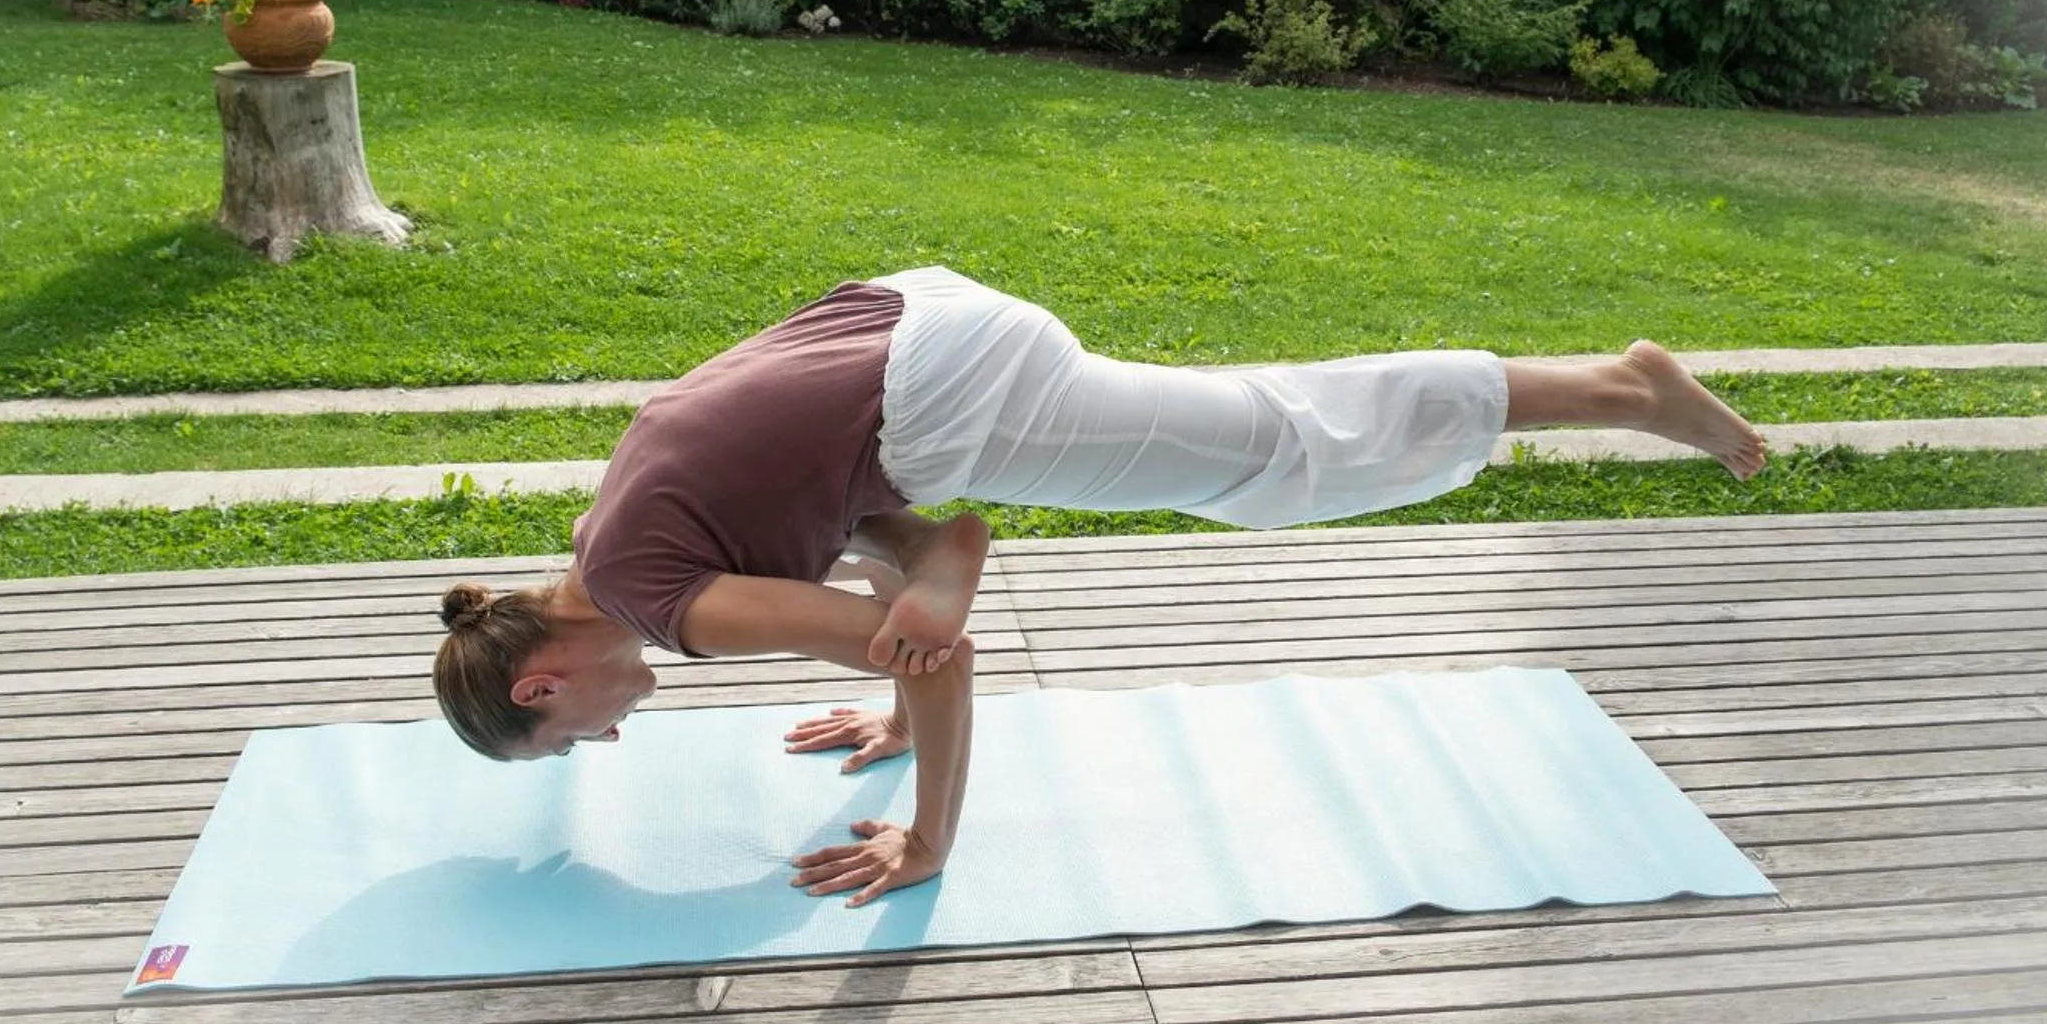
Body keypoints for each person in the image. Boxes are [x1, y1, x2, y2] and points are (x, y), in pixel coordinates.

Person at [431, 266, 1766, 905]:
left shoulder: (668, 605)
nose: (611, 731)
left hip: (948, 393)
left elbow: (928, 658)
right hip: (912, 329)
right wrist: (902, 650)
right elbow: (820, 499)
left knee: (1277, 453)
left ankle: (1623, 387)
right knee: (1250, 444)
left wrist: (931, 830)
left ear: (543, 681)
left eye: (579, 732)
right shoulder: (600, 540)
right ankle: (943, 556)